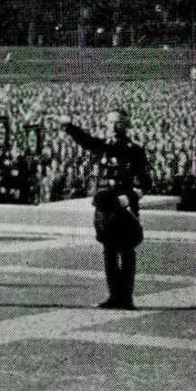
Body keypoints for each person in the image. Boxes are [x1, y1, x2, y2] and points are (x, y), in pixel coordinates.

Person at [52, 109, 149, 309]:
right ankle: (114, 296)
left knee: (127, 252)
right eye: (110, 122)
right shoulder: (104, 147)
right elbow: (85, 140)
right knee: (109, 252)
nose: (113, 127)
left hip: (123, 208)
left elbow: (146, 183)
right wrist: (68, 126)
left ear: (126, 126)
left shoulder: (135, 150)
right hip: (105, 209)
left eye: (118, 123)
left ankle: (126, 297)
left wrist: (127, 198)